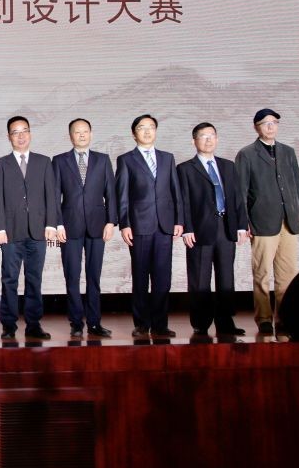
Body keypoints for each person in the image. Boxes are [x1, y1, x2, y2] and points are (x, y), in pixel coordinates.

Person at [235, 108, 299, 334]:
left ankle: (284, 316)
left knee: (287, 273)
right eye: (266, 123)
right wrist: (243, 221)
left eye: (274, 122)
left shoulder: (288, 151)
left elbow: (297, 184)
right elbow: (240, 191)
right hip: (262, 220)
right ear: (256, 127)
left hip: (288, 221)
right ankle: (264, 318)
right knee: (262, 272)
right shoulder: (247, 154)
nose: (271, 126)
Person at [115, 114, 184, 338]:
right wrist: (124, 224)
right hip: (139, 226)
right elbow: (122, 195)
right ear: (134, 133)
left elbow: (175, 191)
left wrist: (179, 220)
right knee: (141, 277)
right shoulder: (126, 159)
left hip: (165, 225)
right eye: (142, 128)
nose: (147, 131)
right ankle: (142, 324)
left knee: (163, 278)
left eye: (151, 127)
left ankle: (161, 324)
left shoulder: (167, 158)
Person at [177, 122, 248, 337]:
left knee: (226, 277)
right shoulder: (185, 168)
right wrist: (187, 228)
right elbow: (183, 201)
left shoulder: (228, 166)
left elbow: (237, 198)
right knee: (200, 277)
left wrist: (241, 225)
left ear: (217, 139)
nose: (208, 140)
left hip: (226, 227)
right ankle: (201, 323)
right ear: (194, 141)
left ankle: (225, 322)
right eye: (203, 136)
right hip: (199, 230)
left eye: (212, 135)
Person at [0, 116, 57, 340]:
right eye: (15, 132)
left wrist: (51, 223)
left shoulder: (44, 162)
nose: (20, 136)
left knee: (34, 278)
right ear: (8, 136)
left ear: (30, 134)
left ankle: (33, 324)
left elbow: (51, 196)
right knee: (9, 278)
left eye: (24, 131)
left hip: (38, 231)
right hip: (10, 231)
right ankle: (9, 325)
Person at [53, 118, 117, 338]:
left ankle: (94, 322)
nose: (81, 135)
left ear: (91, 134)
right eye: (77, 132)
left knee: (94, 276)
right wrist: (58, 223)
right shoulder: (59, 160)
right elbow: (54, 196)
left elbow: (111, 193)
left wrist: (111, 221)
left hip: (98, 225)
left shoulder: (103, 160)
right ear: (70, 135)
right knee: (72, 276)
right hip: (69, 226)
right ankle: (76, 323)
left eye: (85, 131)